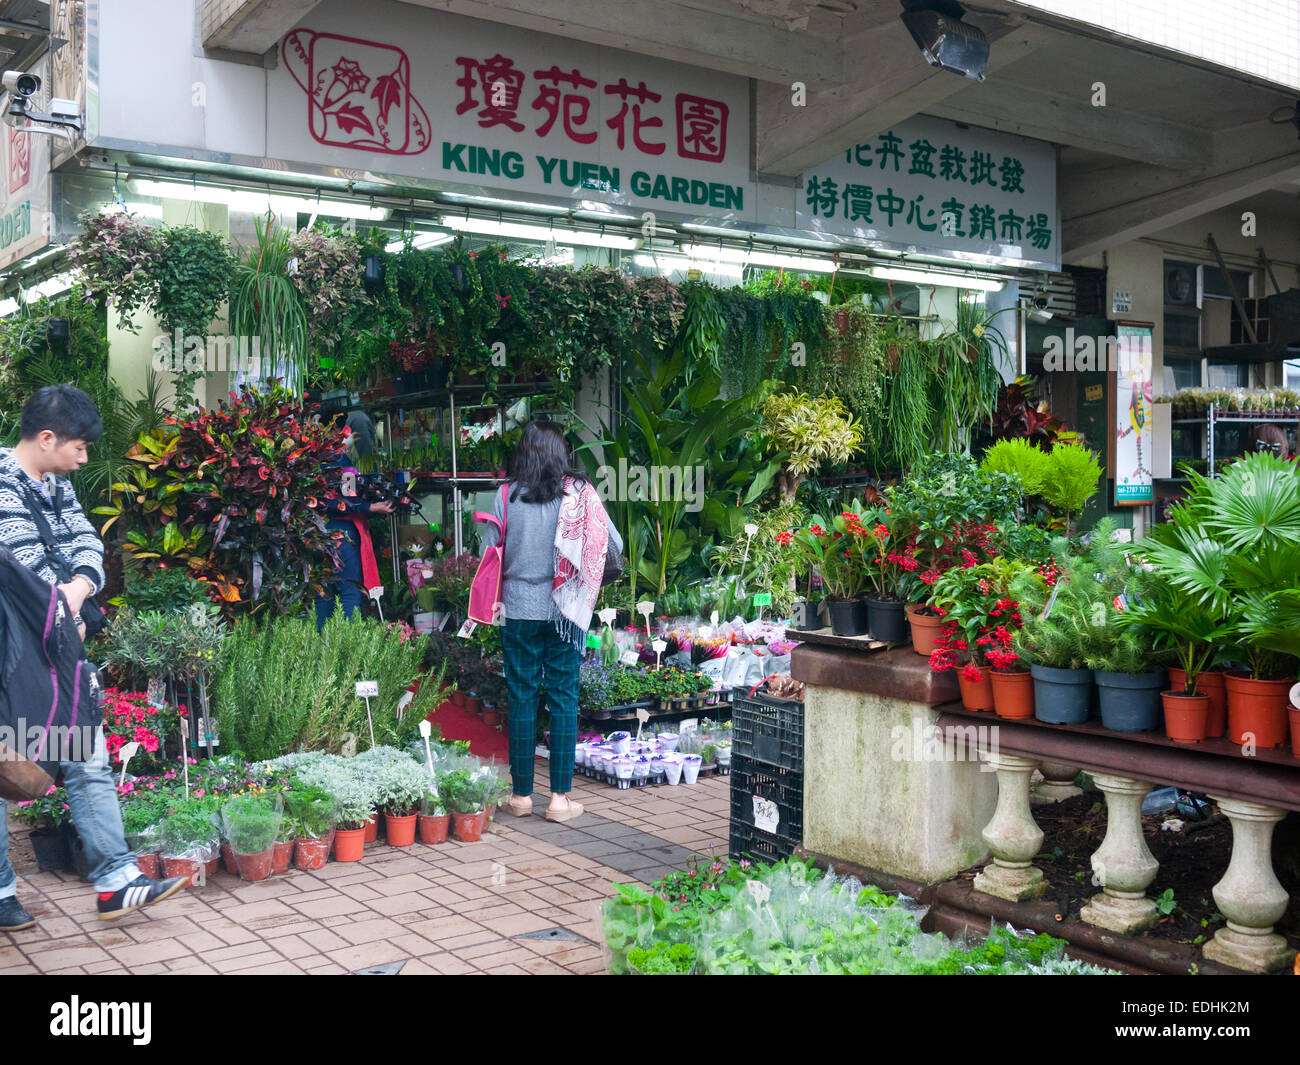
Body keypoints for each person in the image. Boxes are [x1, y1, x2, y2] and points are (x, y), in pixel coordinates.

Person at [0, 385, 188, 931]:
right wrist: (60, 605)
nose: (84, 460)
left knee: (85, 757)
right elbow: (20, 567)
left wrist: (79, 591)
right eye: (79, 448)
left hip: (61, 653)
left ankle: (116, 881)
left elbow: (86, 543)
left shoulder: (56, 485)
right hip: (13, 661)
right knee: (4, 768)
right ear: (47, 437)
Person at [479, 420, 622, 823]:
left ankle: (521, 795)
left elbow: (490, 554)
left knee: (521, 697)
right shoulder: (578, 496)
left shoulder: (506, 496)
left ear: (524, 451)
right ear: (561, 453)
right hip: (567, 612)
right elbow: (615, 544)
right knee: (563, 698)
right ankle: (560, 799)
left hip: (518, 610)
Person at [315, 435, 394, 630]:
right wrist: (372, 507)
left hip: (315, 532)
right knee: (349, 591)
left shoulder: (309, 458)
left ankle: (320, 647)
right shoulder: (340, 461)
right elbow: (347, 500)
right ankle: (347, 648)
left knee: (324, 593)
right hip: (341, 534)